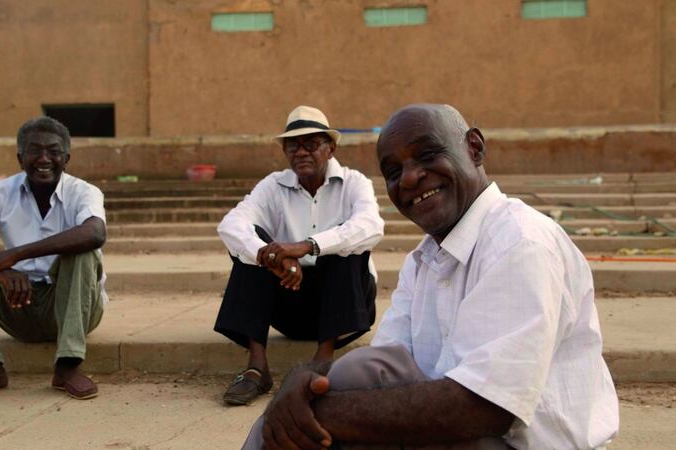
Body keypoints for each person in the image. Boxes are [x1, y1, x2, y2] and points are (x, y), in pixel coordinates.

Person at [242, 104, 619, 449]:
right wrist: (306, 376)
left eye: (427, 155)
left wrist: (317, 415)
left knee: (307, 423)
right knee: (341, 384)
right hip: (467, 428)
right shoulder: (423, 260)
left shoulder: (519, 241)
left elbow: (486, 408)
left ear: (474, 148)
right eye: (393, 172)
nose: (409, 178)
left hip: (512, 441)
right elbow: (381, 367)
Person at [214, 105, 385, 406]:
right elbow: (231, 224)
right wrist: (275, 258)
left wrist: (307, 246)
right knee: (252, 245)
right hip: (289, 302)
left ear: (330, 149)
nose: (301, 152)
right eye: (293, 146)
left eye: (311, 144)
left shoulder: (354, 182)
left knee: (346, 242)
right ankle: (257, 367)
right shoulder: (273, 185)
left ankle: (324, 358)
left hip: (346, 306)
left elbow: (371, 226)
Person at [0, 116, 107, 402]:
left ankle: (67, 366)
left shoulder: (84, 192)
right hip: (18, 303)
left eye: (53, 151)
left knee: (82, 249)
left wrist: (13, 255)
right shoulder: (0, 192)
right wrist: (1, 271)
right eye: (34, 151)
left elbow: (95, 233)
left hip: (74, 308)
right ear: (20, 158)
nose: (44, 159)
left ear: (66, 158)